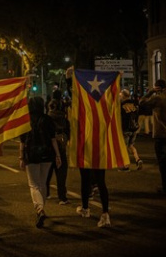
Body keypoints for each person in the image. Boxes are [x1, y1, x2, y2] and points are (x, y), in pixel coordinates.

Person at [65, 66, 111, 228]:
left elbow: (74, 96)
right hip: (99, 147)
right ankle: (105, 214)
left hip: (86, 147)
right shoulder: (104, 109)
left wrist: (68, 78)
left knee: (85, 180)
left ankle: (85, 209)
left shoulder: (83, 110)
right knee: (101, 181)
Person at [19, 96, 61, 229]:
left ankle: (39, 209)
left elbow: (22, 142)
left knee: (33, 185)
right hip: (47, 154)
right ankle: (42, 208)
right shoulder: (47, 119)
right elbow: (53, 139)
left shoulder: (25, 120)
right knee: (43, 183)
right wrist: (58, 155)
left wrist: (21, 158)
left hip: (31, 155)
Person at [140, 79, 166, 196]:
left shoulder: (158, 98)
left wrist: (150, 92)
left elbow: (142, 102)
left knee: (162, 162)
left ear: (157, 88)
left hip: (161, 133)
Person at [46, 98, 70, 205]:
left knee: (47, 172)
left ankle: (46, 193)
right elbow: (69, 133)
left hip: (49, 149)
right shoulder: (64, 119)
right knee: (61, 173)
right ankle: (62, 197)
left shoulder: (47, 119)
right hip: (61, 148)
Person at [119, 89, 143, 171]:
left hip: (126, 128)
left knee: (124, 147)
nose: (120, 96)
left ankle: (126, 165)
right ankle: (137, 159)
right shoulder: (134, 104)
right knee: (131, 145)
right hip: (134, 128)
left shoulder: (122, 105)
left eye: (121, 95)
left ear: (124, 96)